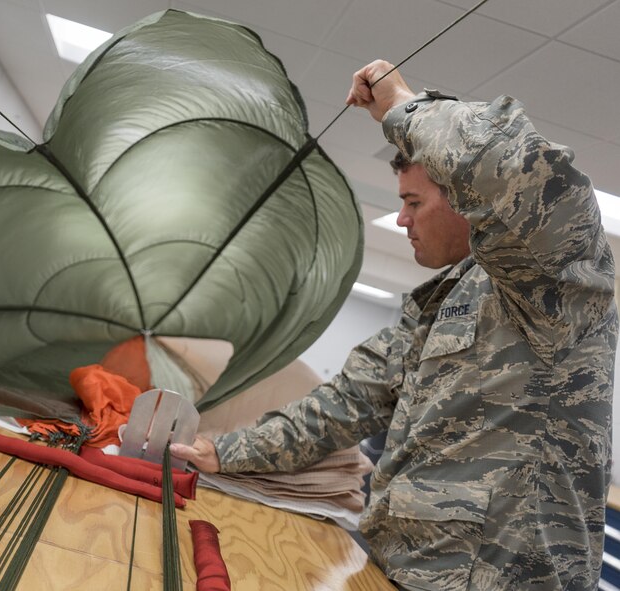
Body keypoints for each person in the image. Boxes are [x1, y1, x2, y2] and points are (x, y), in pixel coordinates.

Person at [171, 59, 617, 590]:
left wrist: (403, 106)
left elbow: (519, 169)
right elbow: (346, 401)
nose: (402, 219)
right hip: (403, 569)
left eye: (413, 202)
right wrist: (225, 452)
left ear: (466, 203)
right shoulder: (446, 298)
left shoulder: (548, 287)